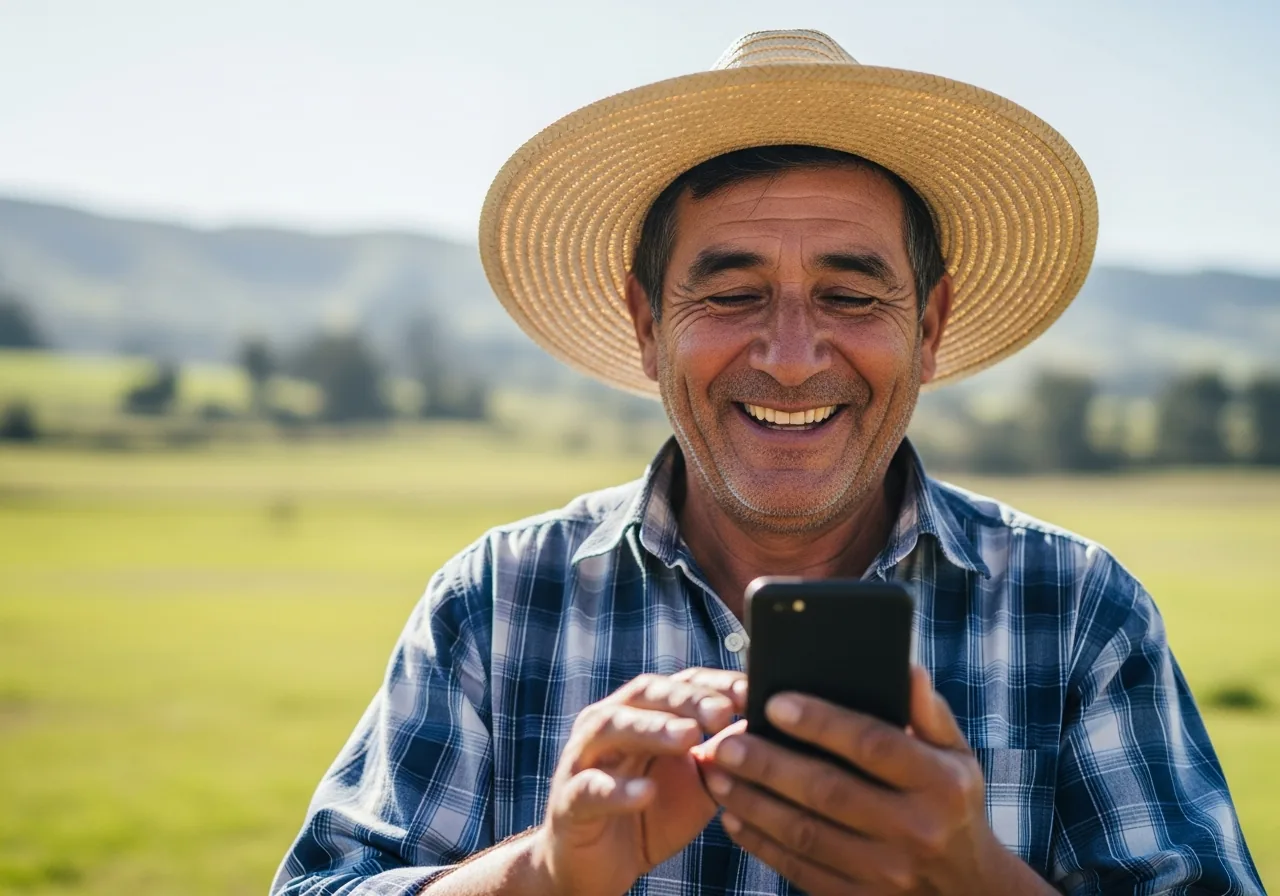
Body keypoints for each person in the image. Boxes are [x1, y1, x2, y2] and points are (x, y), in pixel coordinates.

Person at [271, 29, 1263, 896]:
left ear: (929, 324)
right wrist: (545, 873)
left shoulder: (1078, 608)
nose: (790, 357)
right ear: (644, 321)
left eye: (849, 294)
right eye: (732, 292)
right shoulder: (493, 599)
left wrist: (972, 877)